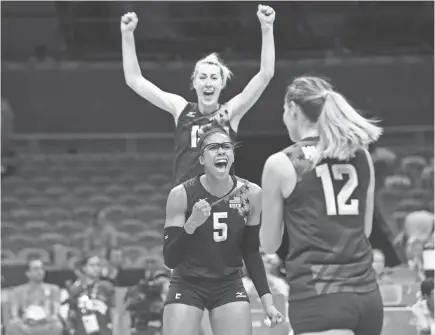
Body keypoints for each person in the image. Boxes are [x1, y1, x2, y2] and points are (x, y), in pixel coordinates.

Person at [259, 76, 384, 335]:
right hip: (368, 297)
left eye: (284, 111)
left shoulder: (281, 163)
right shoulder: (361, 156)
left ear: (293, 108)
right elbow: (366, 230)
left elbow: (270, 244)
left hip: (320, 295)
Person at [121, 4, 275, 186]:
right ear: (194, 83)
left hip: (221, 203)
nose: (208, 82)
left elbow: (265, 74)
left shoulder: (230, 112)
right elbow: (134, 79)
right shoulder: (181, 109)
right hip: (186, 204)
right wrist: (127, 35)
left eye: (213, 78)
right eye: (202, 77)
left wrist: (267, 28)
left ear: (222, 84)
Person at [162, 126, 283, 335]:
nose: (221, 151)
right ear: (201, 160)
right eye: (213, 148)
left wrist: (268, 302)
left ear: (233, 156)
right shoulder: (182, 194)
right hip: (187, 283)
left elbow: (251, 252)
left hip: (228, 283)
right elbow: (170, 259)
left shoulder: (250, 194)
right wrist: (191, 224)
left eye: (226, 147)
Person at [8, 258, 63, 335]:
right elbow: (14, 314)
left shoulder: (53, 289)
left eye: (42, 269)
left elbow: (55, 312)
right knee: (13, 325)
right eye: (36, 269)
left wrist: (53, 317)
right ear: (28, 273)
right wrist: (18, 320)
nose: (40, 272)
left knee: (57, 325)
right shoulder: (17, 291)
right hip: (26, 325)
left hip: (46, 325)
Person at [66, 255, 116, 335]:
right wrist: (70, 330)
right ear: (84, 268)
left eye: (98, 265)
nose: (96, 268)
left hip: (103, 331)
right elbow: (71, 314)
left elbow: (114, 311)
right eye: (92, 265)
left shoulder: (107, 287)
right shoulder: (76, 290)